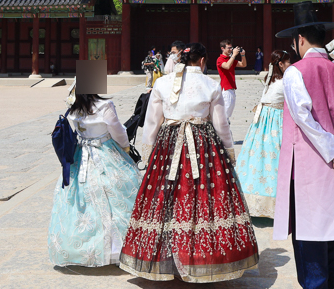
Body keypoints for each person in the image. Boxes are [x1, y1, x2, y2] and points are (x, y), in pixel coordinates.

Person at [120, 43, 259, 282]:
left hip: (168, 146)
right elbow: (221, 124)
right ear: (203, 61)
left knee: (166, 199)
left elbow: (152, 122)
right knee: (202, 200)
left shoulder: (162, 83)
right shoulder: (211, 84)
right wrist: (228, 151)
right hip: (204, 147)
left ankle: (165, 257)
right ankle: (203, 257)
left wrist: (148, 152)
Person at [273, 2, 334, 289]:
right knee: (329, 227)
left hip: (309, 164)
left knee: (309, 231)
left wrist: (331, 152)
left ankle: (317, 283)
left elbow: (305, 120)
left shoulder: (295, 72)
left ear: (300, 39)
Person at [48, 85, 141, 267]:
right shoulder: (104, 106)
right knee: (116, 195)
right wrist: (125, 147)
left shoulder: (73, 107)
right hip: (104, 151)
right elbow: (118, 131)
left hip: (81, 154)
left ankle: (81, 248)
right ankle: (117, 249)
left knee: (81, 201)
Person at [234, 49, 291, 218]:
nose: (290, 65)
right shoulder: (284, 82)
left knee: (257, 156)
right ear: (280, 64)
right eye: (288, 62)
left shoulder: (270, 80)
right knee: (274, 157)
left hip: (262, 122)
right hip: (275, 122)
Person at [216, 39, 246, 119]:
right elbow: (227, 66)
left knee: (228, 114)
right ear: (222, 48)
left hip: (232, 89)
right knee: (224, 114)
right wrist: (234, 55)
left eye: (231, 48)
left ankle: (225, 129)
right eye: (228, 48)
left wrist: (242, 55)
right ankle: (222, 130)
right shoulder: (220, 59)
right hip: (226, 89)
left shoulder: (230, 59)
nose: (230, 50)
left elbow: (243, 64)